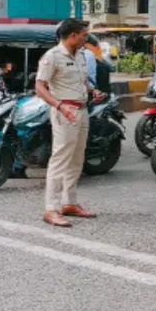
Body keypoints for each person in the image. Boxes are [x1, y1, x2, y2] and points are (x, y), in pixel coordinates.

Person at [36, 19, 100, 227]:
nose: (86, 38)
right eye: (84, 35)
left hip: (82, 110)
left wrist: (93, 91)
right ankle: (51, 209)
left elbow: (81, 81)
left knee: (76, 159)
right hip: (65, 112)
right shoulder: (52, 56)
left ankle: (69, 203)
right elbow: (40, 87)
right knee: (60, 159)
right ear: (73, 36)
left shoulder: (81, 55)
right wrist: (60, 106)